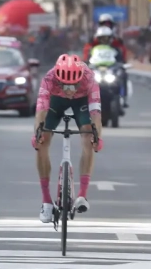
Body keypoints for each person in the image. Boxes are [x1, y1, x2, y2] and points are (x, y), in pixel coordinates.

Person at [33, 54, 103, 222]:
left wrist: (97, 137)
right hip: (56, 102)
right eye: (65, 85)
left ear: (81, 79)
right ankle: (46, 202)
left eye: (74, 85)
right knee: (42, 140)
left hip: (82, 102)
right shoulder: (49, 78)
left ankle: (82, 196)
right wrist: (37, 134)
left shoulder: (89, 78)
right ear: (58, 78)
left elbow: (95, 114)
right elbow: (41, 111)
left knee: (89, 136)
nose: (69, 90)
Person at [83, 25, 129, 107]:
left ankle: (123, 98)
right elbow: (87, 60)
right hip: (97, 70)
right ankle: (83, 101)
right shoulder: (93, 49)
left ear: (110, 38)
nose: (104, 40)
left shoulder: (116, 49)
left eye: (106, 38)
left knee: (123, 75)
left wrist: (122, 66)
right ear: (98, 38)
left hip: (111, 71)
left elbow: (121, 61)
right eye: (102, 38)